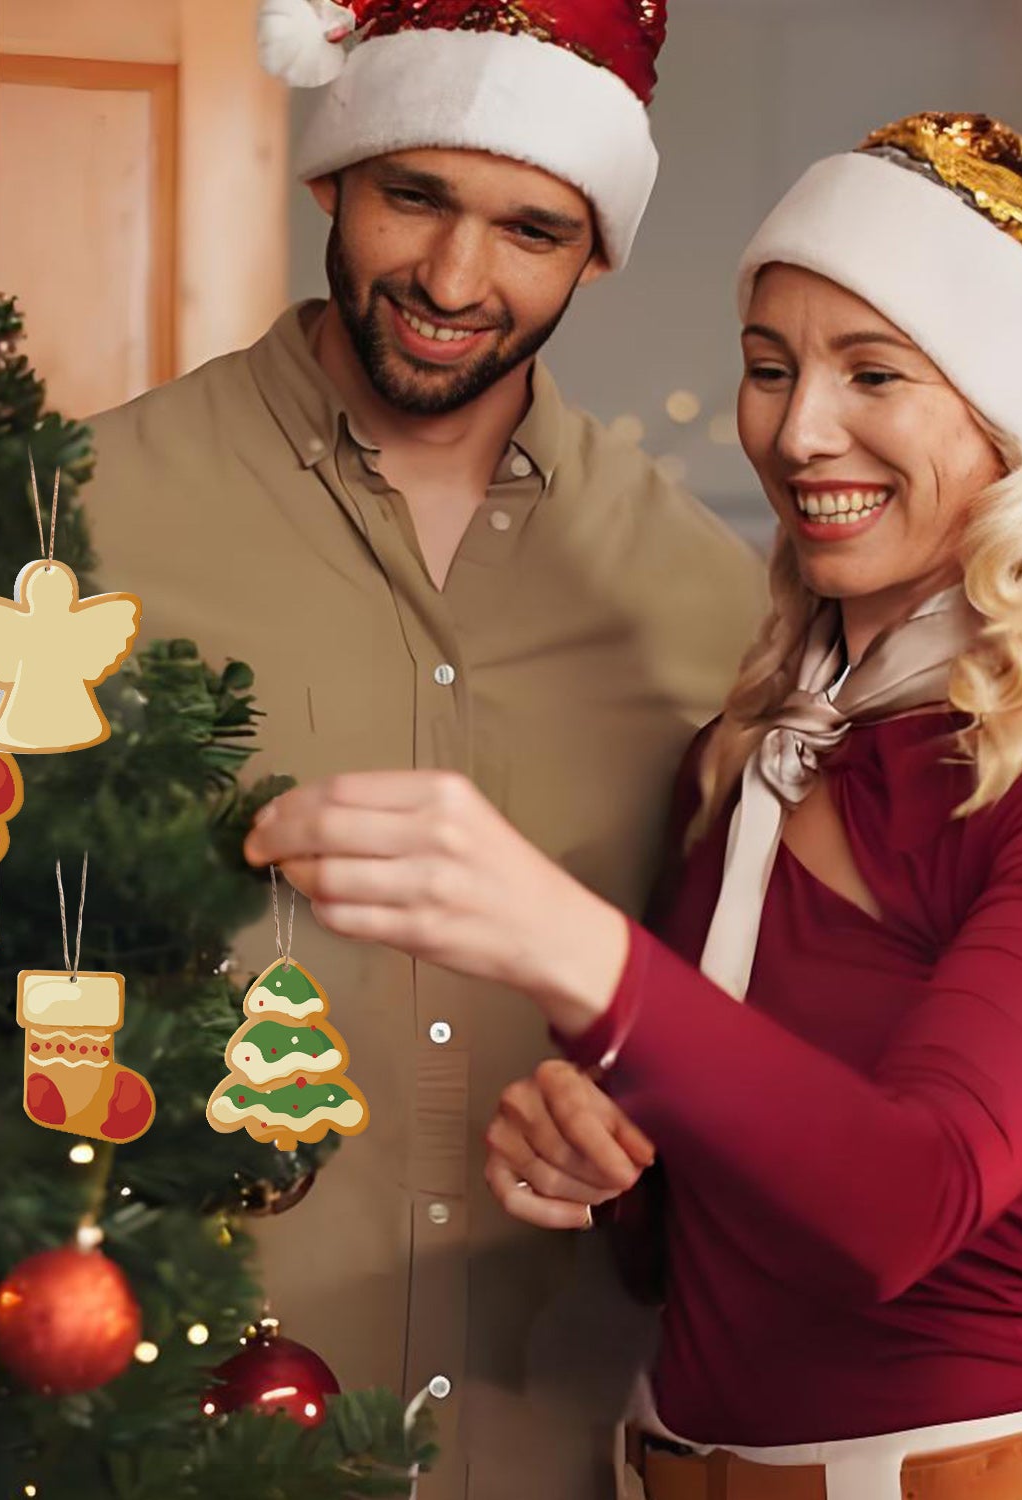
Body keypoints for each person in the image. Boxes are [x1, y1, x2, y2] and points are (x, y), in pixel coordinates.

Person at [243, 110, 1022, 1500]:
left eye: (874, 373)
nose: (798, 431)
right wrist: (607, 1166)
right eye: (769, 367)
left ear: (1010, 423)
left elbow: (905, 1204)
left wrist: (567, 946)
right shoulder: (746, 757)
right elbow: (718, 1233)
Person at [84, 1, 765, 1494]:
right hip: (167, 1431)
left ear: (595, 252)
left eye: (531, 230)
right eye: (416, 197)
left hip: (566, 1439)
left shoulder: (710, 607)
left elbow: (760, 1037)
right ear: (332, 177)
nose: (456, 279)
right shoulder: (83, 519)